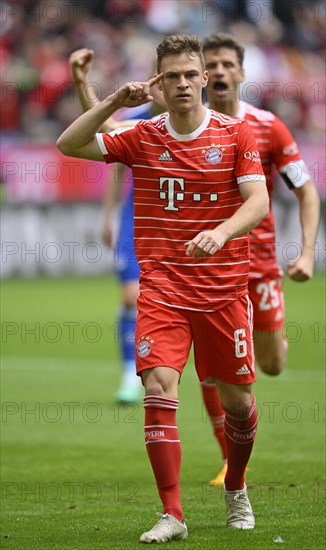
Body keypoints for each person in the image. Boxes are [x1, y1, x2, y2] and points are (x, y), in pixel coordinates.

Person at [57, 34, 269, 542]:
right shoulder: (142, 134)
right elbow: (69, 144)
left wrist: (220, 232)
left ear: (204, 78)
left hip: (221, 292)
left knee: (238, 404)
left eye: (189, 74)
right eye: (170, 75)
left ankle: (235, 486)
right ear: (159, 81)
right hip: (163, 289)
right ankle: (172, 514)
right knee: (158, 388)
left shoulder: (236, 134)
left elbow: (259, 202)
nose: (181, 83)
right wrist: (113, 99)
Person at [200, 33, 320, 486]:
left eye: (229, 64)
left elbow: (307, 192)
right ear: (203, 75)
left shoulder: (269, 126)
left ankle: (271, 336)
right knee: (213, 370)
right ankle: (232, 461)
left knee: (269, 365)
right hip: (211, 269)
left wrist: (306, 253)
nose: (222, 72)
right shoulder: (189, 127)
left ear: (243, 73)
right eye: (213, 64)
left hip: (262, 265)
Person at [69, 49, 166, 403]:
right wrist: (108, 215)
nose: (166, 85)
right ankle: (130, 374)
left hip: (178, 222)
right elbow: (116, 165)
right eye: (161, 76)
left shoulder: (196, 121)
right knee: (131, 296)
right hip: (135, 216)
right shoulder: (135, 120)